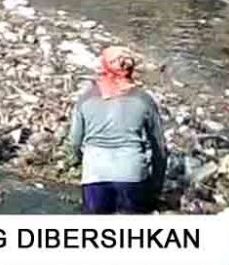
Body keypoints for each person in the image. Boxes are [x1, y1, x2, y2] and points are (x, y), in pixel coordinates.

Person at [69, 46, 167, 214]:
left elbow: (75, 142)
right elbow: (159, 149)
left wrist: (81, 161)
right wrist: (156, 185)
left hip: (95, 174)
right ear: (131, 69)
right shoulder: (144, 100)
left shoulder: (85, 99)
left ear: (103, 68)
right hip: (132, 173)